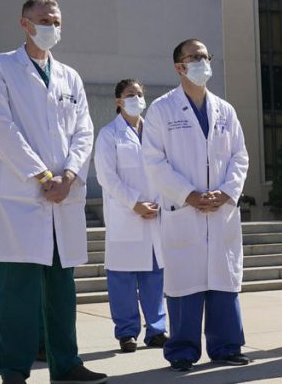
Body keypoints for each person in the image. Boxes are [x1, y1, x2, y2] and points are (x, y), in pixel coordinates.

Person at [0, 0, 106, 384]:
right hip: (24, 195)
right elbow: (1, 127)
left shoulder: (69, 76)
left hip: (63, 196)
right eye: (44, 20)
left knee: (61, 287)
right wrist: (41, 175)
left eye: (56, 21)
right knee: (17, 289)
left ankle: (66, 364)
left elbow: (84, 130)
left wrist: (69, 175)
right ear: (25, 24)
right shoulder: (1, 67)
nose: (52, 27)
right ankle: (13, 369)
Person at [142, 39, 250, 372]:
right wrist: (188, 194)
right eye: (195, 57)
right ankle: (182, 351)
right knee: (185, 284)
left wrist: (227, 193)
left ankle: (227, 347)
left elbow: (240, 156)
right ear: (179, 67)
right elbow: (154, 161)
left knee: (223, 281)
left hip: (221, 211)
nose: (203, 62)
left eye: (206, 56)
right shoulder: (162, 109)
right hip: (184, 211)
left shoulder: (225, 109)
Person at [93, 79, 168, 353]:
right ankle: (126, 333)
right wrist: (135, 203)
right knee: (122, 280)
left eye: (139, 94)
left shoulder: (155, 134)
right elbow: (106, 176)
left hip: (154, 215)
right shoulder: (109, 135)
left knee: (154, 277)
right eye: (129, 94)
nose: (136, 98)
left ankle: (157, 330)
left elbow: (164, 170)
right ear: (118, 101)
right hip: (125, 216)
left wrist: (159, 203)